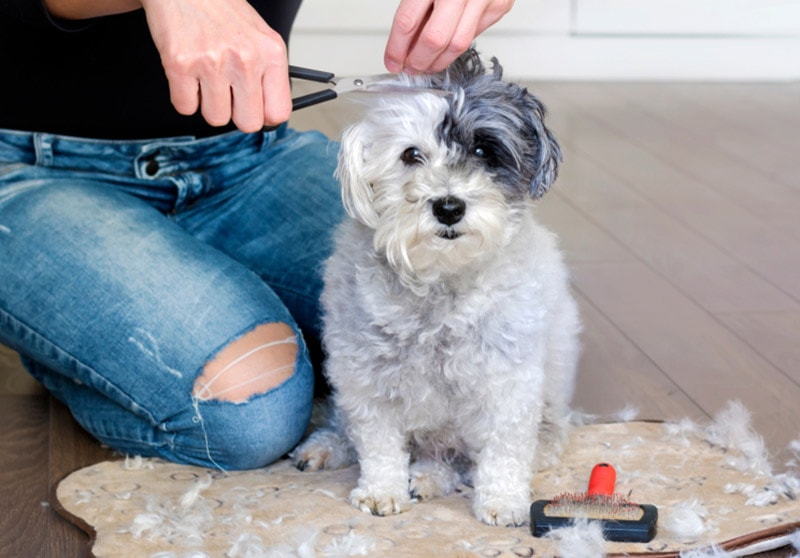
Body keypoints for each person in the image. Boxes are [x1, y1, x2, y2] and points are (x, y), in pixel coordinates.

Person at [0, 0, 514, 471]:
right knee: (251, 415)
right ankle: (71, 341)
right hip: (31, 168)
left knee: (469, 325)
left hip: (250, 154)